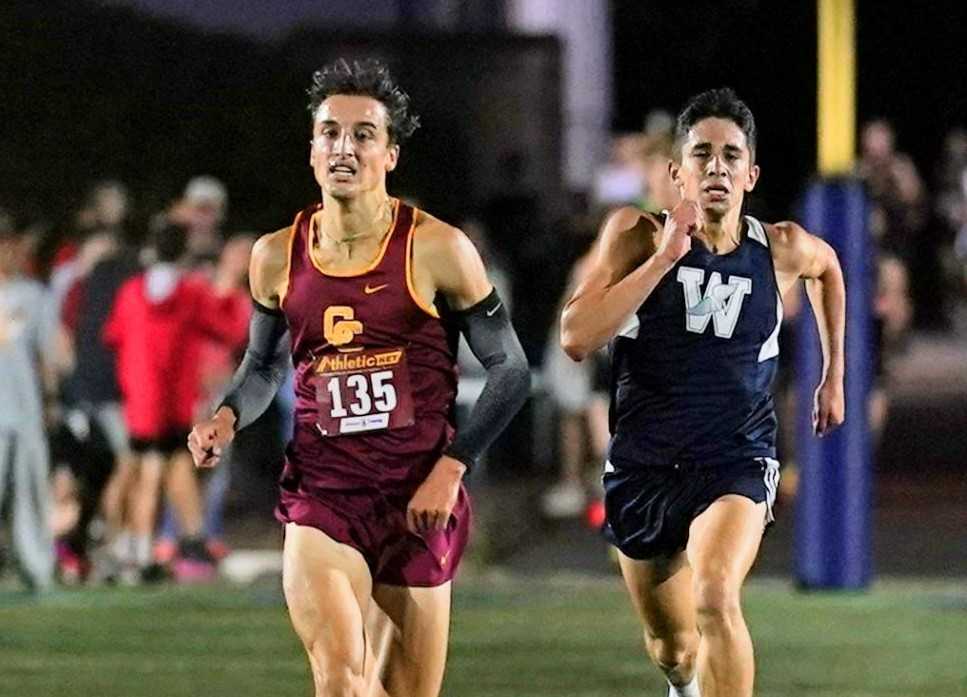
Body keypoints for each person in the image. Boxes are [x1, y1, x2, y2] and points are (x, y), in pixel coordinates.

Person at [187, 58, 529, 697]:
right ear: (312, 150)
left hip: (417, 498)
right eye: (330, 133)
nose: (344, 147)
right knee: (340, 678)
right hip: (324, 495)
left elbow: (511, 370)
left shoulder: (438, 248)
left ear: (390, 154)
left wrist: (451, 468)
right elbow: (263, 364)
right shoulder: (274, 256)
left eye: (363, 134)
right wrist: (227, 417)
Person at [560, 88, 845, 697]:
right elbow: (576, 337)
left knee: (715, 595)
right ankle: (683, 686)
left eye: (731, 155)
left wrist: (834, 373)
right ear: (676, 173)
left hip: (734, 458)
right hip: (644, 465)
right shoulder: (636, 236)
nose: (717, 167)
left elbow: (828, 268)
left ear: (750, 174)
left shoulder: (780, 248)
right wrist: (665, 260)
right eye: (702, 154)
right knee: (673, 646)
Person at [0, 217, 60, 592]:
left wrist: (51, 399)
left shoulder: (34, 295)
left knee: (29, 492)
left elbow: (46, 355)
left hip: (24, 410)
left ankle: (37, 568)